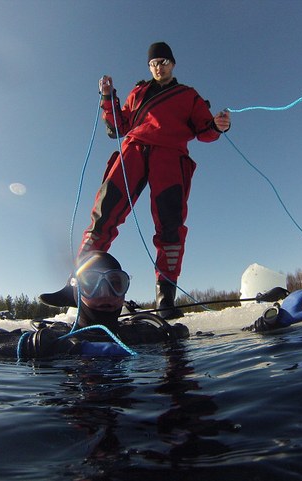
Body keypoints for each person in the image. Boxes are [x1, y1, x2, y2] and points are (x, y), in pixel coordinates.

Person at [75, 41, 231, 320]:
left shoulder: (187, 95)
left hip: (170, 157)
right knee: (104, 215)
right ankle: (81, 283)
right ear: (149, 67)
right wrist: (108, 97)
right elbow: (117, 128)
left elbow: (205, 130)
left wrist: (218, 125)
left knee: (170, 225)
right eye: (154, 63)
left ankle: (165, 298)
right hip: (132, 152)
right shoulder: (138, 91)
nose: (159, 66)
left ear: (173, 64)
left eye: (164, 61)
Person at [0, 251, 302, 360]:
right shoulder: (57, 337)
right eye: (92, 283)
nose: (107, 294)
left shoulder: (143, 333)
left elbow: (210, 340)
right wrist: (40, 348)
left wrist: (268, 323)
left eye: (116, 283)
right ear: (76, 293)